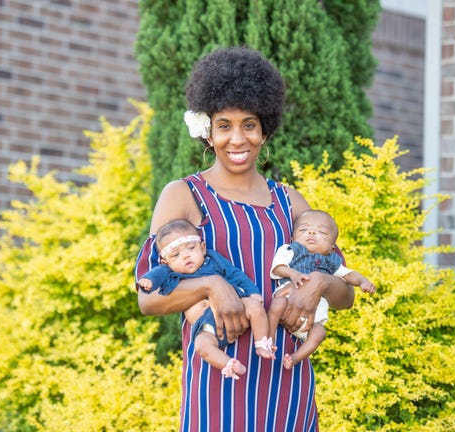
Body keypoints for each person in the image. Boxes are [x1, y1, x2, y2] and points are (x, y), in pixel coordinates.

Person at [135, 46, 355, 431]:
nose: (237, 139)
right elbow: (147, 299)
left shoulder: (290, 201)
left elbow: (346, 296)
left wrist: (319, 283)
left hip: (287, 384)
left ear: (265, 129)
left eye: (249, 124)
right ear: (209, 130)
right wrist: (212, 285)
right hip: (219, 383)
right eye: (225, 125)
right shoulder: (183, 195)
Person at [137, 219, 275, 379]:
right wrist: (148, 281)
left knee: (255, 307)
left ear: (202, 247)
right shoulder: (169, 272)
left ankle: (261, 344)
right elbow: (156, 274)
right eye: (176, 254)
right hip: (207, 326)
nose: (185, 255)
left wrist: (253, 293)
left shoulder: (212, 260)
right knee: (202, 345)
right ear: (165, 262)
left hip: (236, 307)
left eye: (191, 248)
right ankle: (229, 364)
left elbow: (235, 274)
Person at [268, 209, 375, 370]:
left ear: (332, 248)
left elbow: (347, 274)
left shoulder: (331, 261)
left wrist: (362, 281)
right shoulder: (291, 251)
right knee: (276, 305)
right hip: (288, 300)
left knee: (319, 333)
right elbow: (278, 268)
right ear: (293, 238)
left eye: (322, 232)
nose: (311, 232)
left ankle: (295, 357)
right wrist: (293, 273)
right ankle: (268, 339)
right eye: (303, 230)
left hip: (313, 319)